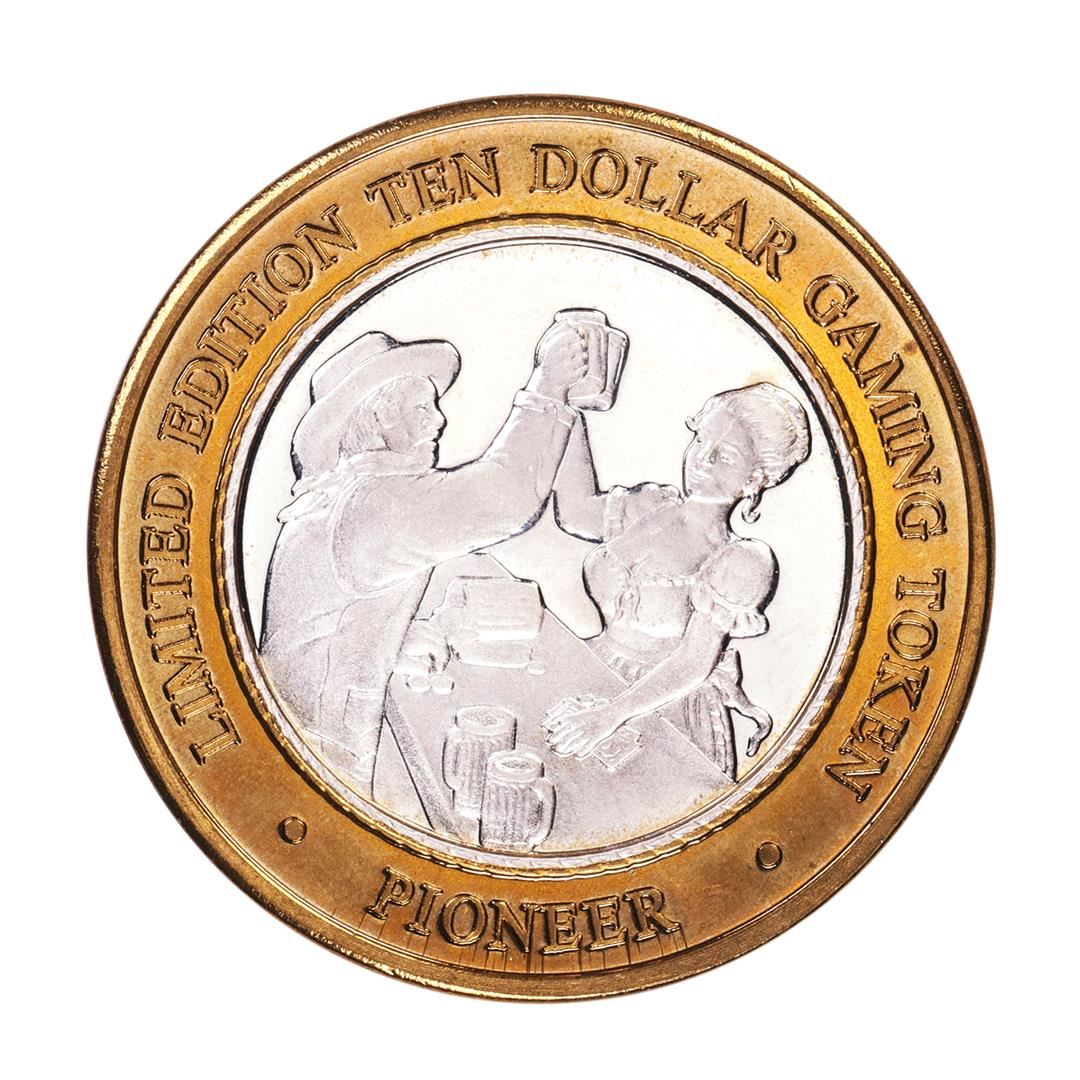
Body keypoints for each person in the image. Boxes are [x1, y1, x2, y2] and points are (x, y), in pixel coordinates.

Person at [260, 320, 588, 797]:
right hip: (320, 761)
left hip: (299, 738)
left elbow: (329, 621)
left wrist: (389, 638)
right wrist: (548, 385)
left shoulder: (344, 493)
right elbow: (504, 498)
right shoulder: (374, 504)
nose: (438, 422)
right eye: (420, 407)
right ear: (377, 418)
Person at [543, 382, 811, 780]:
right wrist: (563, 405)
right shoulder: (649, 506)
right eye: (702, 440)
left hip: (665, 711)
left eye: (726, 456)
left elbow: (692, 663)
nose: (703, 458)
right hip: (592, 680)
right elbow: (575, 511)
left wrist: (610, 716)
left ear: (754, 478)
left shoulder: (743, 561)